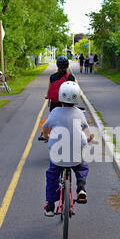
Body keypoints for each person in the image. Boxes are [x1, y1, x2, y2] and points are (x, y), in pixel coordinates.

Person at [42, 81, 94, 217]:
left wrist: (46, 135)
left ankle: (50, 205)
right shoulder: (79, 113)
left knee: (52, 175)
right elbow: (87, 132)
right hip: (76, 156)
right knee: (82, 167)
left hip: (57, 157)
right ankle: (81, 188)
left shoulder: (55, 112)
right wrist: (89, 138)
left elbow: (45, 127)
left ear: (60, 96)